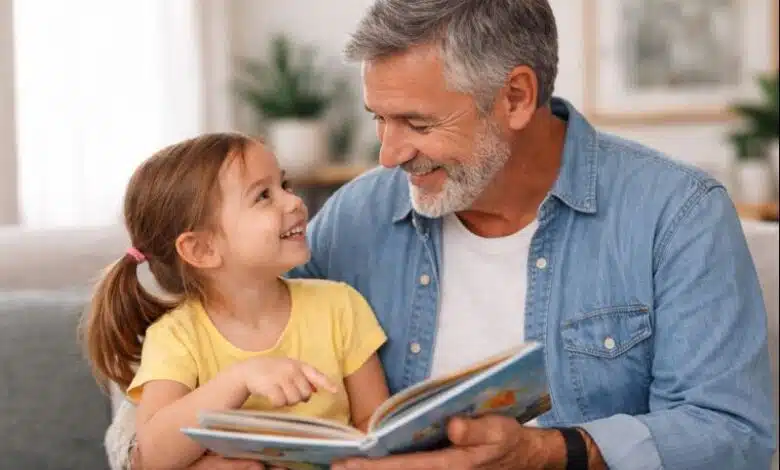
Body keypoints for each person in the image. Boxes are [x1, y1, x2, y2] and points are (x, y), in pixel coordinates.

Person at [105, 0, 777, 469]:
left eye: (417, 125)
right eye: (378, 119)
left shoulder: (676, 215)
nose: (388, 155)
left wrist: (545, 453)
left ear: (515, 97)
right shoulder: (359, 217)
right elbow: (212, 328)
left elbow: (734, 436)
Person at [83, 133, 390, 469]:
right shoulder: (176, 337)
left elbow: (373, 427)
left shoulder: (341, 307)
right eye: (263, 196)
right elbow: (153, 457)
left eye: (284, 185)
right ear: (202, 249)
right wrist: (239, 379)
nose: (293, 202)